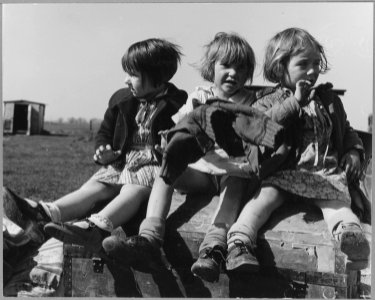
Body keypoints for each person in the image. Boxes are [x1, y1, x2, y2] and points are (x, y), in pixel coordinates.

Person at [101, 32, 287, 281]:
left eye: (241, 68)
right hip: (201, 170)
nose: (233, 73)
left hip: (232, 169)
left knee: (234, 186)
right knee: (165, 172)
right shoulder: (199, 96)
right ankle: (149, 238)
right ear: (212, 67)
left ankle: (213, 247)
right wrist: (168, 139)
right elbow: (179, 127)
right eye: (226, 66)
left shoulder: (252, 102)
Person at [10, 38, 187, 253]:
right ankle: (47, 213)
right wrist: (103, 151)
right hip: (123, 161)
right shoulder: (122, 100)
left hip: (153, 164)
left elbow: (184, 136)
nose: (125, 80)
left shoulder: (177, 104)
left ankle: (96, 227)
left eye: (133, 75)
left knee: (133, 189)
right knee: (96, 186)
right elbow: (105, 132)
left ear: (158, 81)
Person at [225, 27, 370, 273]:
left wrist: (354, 150)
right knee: (261, 203)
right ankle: (239, 243)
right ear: (281, 68)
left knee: (337, 205)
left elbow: (346, 130)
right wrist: (295, 102)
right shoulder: (268, 99)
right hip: (284, 172)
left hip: (323, 174)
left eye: (316, 63)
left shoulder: (328, 100)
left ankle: (350, 236)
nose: (313, 71)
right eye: (303, 64)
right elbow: (261, 127)